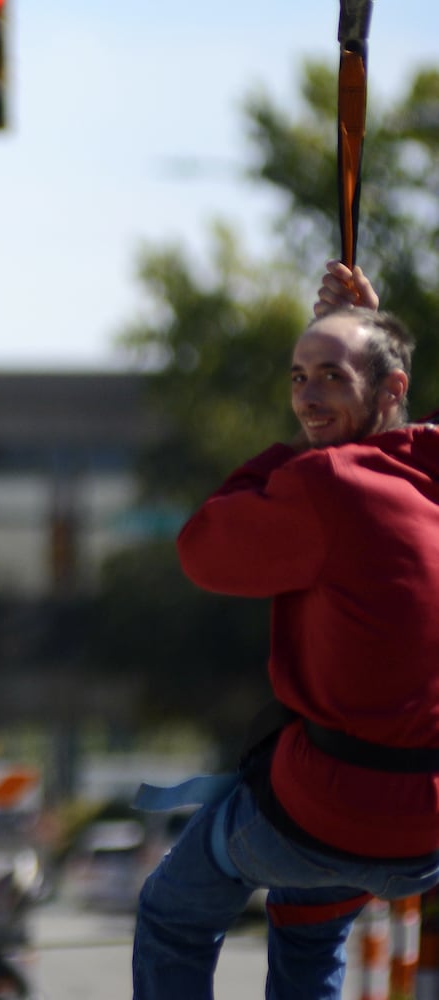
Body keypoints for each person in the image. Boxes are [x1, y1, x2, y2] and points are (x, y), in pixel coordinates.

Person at [132, 261, 439, 999]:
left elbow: (202, 549)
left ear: (388, 389)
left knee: (172, 912)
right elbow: (396, 442)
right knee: (309, 921)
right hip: (425, 831)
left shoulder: (322, 483)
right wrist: (371, 336)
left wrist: (290, 457)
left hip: (331, 808)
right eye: (298, 377)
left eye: (330, 376)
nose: (306, 397)